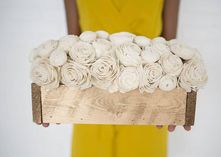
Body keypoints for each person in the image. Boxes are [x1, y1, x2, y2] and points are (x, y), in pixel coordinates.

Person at [38, 0, 191, 156]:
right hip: (92, 110)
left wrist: (175, 100)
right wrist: (56, 96)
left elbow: (169, 51)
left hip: (145, 110)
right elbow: (73, 47)